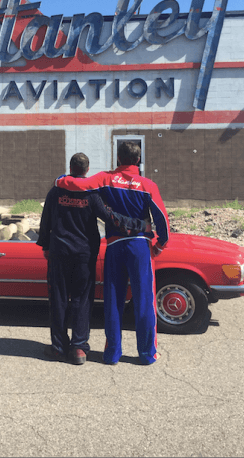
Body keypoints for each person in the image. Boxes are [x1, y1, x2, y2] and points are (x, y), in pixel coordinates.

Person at [55, 141, 169, 365]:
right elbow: (162, 221)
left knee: (113, 301)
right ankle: (147, 354)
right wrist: (159, 245)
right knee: (144, 301)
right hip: (140, 247)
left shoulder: (105, 179)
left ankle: (112, 354)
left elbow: (80, 185)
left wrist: (60, 179)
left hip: (115, 246)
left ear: (118, 159)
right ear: (138, 160)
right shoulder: (148, 185)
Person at [37, 152, 147, 365]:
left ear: (70, 168)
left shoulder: (55, 191)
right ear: (87, 170)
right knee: (82, 299)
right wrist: (140, 225)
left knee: (58, 299)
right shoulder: (91, 193)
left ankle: (59, 347)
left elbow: (45, 221)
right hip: (84, 254)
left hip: (59, 253)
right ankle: (79, 348)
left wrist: (45, 246)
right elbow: (111, 217)